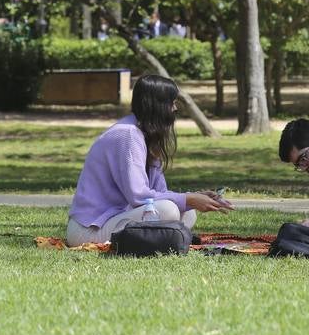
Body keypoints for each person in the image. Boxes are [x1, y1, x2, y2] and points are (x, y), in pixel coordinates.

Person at [66, 74, 233, 246]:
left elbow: (160, 192)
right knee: (169, 210)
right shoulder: (128, 134)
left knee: (187, 213)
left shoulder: (145, 135)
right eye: (171, 103)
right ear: (157, 105)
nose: (175, 109)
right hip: (88, 230)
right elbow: (139, 196)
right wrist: (188, 199)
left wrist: (195, 197)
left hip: (116, 218)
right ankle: (162, 240)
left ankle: (160, 240)